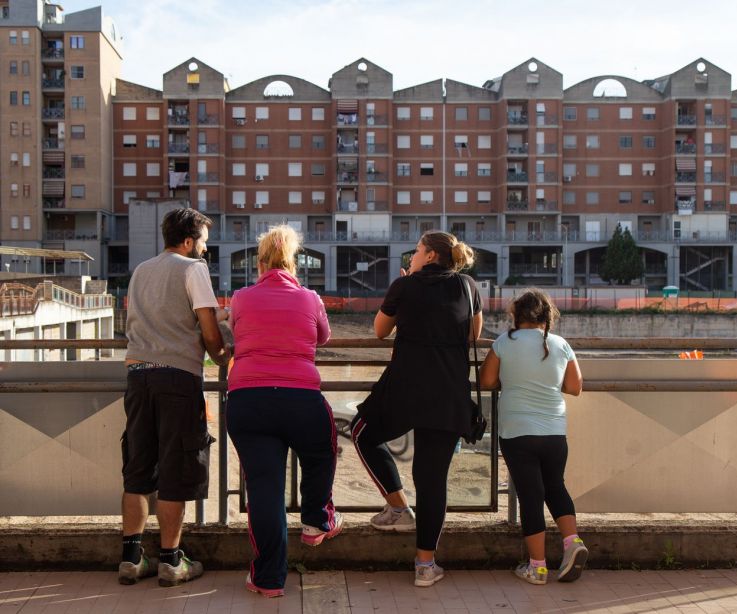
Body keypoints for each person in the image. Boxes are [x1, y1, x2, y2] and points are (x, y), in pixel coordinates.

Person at [351, 230, 482, 587]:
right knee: (431, 479)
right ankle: (425, 565)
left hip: (406, 387)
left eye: (417, 251)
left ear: (429, 256)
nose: (412, 256)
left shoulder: (403, 286)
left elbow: (380, 330)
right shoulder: (468, 286)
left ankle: (397, 506)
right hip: (448, 392)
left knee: (362, 433)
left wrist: (405, 291)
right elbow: (472, 335)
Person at [226, 225, 340, 599]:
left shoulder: (241, 298)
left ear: (260, 264)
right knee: (322, 450)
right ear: (294, 264)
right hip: (300, 398)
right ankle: (315, 520)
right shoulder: (309, 298)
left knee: (264, 490)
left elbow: (235, 330)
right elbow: (323, 337)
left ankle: (269, 579)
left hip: (248, 401)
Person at [119, 208, 231, 586]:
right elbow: (209, 329)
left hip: (137, 377)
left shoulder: (141, 271)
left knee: (137, 469)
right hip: (177, 380)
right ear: (188, 241)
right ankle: (170, 560)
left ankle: (132, 559)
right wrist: (220, 356)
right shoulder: (192, 269)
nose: (205, 249)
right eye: (203, 241)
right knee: (175, 468)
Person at [478, 289, 587, 585]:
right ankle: (572, 542)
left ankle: (537, 567)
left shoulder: (505, 343)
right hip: (554, 430)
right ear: (547, 316)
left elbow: (486, 381)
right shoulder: (560, 343)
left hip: (517, 430)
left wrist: (512, 379)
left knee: (530, 496)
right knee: (555, 487)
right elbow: (576, 386)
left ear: (516, 315)